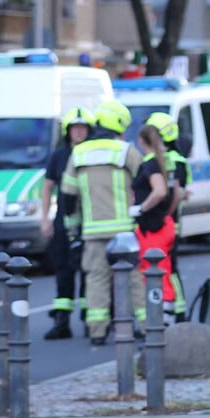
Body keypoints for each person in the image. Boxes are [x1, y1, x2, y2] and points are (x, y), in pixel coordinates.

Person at [60, 100, 145, 345]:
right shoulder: (125, 151)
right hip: (125, 230)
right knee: (135, 280)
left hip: (92, 232)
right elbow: (145, 182)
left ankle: (97, 331)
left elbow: (68, 196)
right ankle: (143, 326)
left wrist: (73, 229)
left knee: (96, 280)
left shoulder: (79, 153)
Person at [40, 108, 93, 340]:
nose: (79, 132)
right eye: (75, 128)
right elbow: (47, 186)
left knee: (89, 270)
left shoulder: (93, 153)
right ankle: (62, 321)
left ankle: (90, 318)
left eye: (83, 128)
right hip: (63, 221)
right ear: (68, 131)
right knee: (63, 269)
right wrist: (44, 217)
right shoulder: (59, 155)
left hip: (89, 221)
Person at [145, 112, 190, 322]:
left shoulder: (171, 161)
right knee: (167, 267)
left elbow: (176, 193)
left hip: (168, 223)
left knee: (170, 267)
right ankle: (175, 308)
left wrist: (164, 216)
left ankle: (178, 309)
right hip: (170, 222)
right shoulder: (176, 160)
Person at [131, 123, 176, 321]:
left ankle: (164, 320)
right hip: (159, 224)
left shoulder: (150, 164)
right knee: (160, 270)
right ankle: (165, 316)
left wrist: (141, 208)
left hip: (153, 227)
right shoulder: (159, 161)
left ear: (141, 141)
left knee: (156, 272)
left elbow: (159, 191)